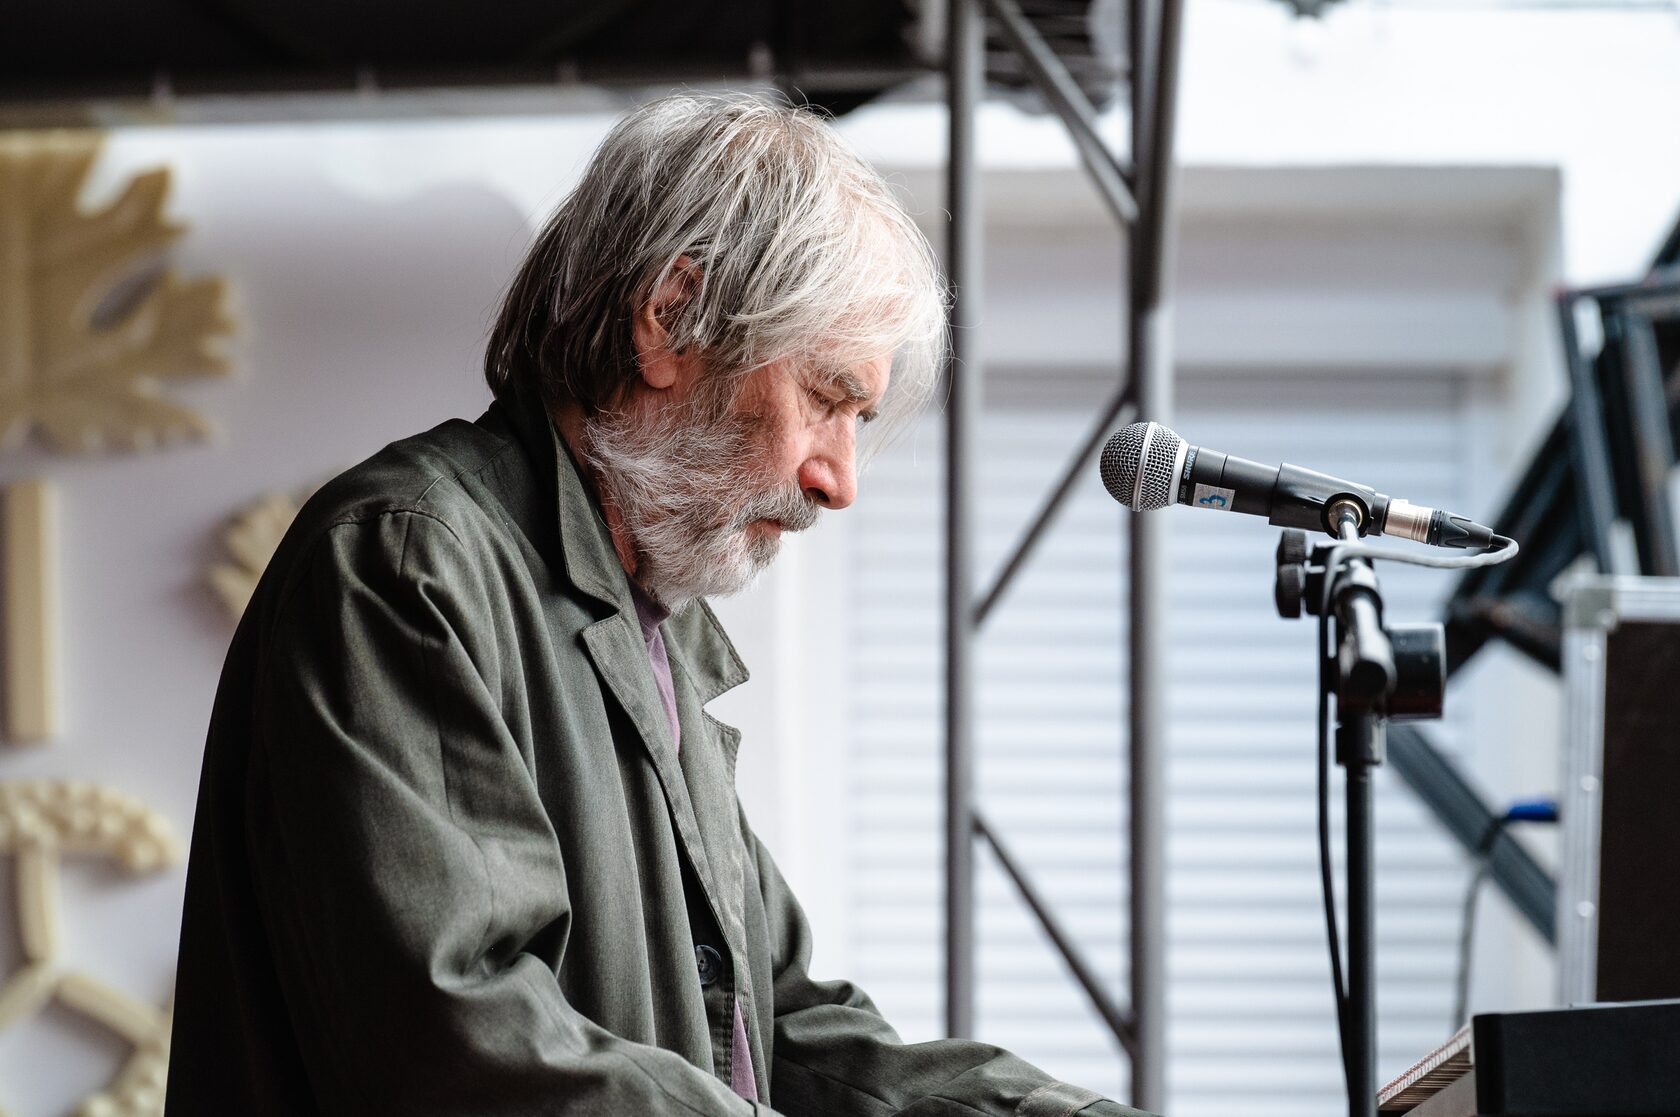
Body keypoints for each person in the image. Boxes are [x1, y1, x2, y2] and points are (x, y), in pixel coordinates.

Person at [166, 93, 1153, 1117]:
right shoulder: (407, 564)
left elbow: (781, 1026)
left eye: (858, 419)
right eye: (826, 398)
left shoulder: (649, 629)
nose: (839, 481)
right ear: (673, 317)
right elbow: (463, 1049)